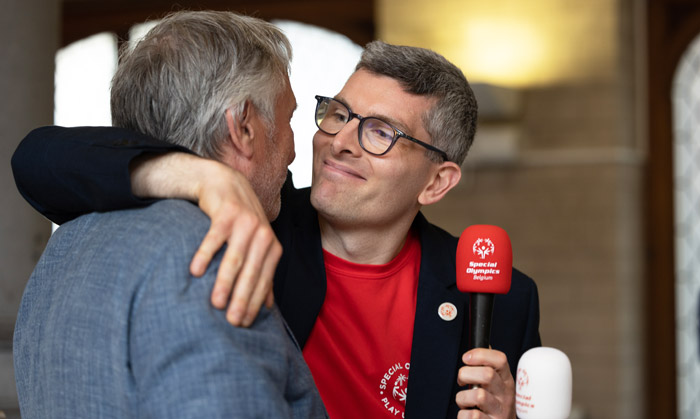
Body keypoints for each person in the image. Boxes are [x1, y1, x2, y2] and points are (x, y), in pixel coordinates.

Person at [13, 39, 541, 418]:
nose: (340, 141)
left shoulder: (503, 298)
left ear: (437, 181)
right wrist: (193, 174)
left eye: (380, 131)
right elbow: (42, 159)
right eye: (338, 113)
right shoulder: (254, 219)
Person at [12, 10, 327, 418]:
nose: (294, 149)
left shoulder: (66, 243)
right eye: (288, 120)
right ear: (243, 127)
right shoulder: (213, 252)